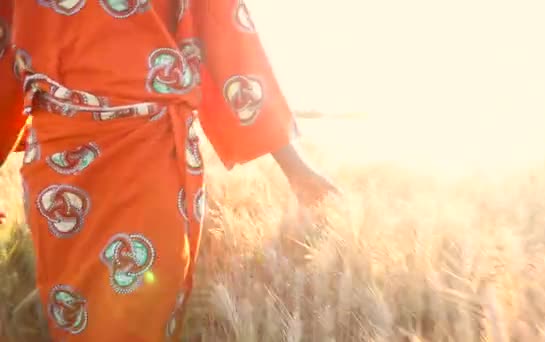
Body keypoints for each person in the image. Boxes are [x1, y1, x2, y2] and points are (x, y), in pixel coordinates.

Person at [0, 1, 337, 340]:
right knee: (75, 324)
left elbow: (225, 29)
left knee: (140, 314)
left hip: (152, 160)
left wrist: (295, 167)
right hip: (61, 175)